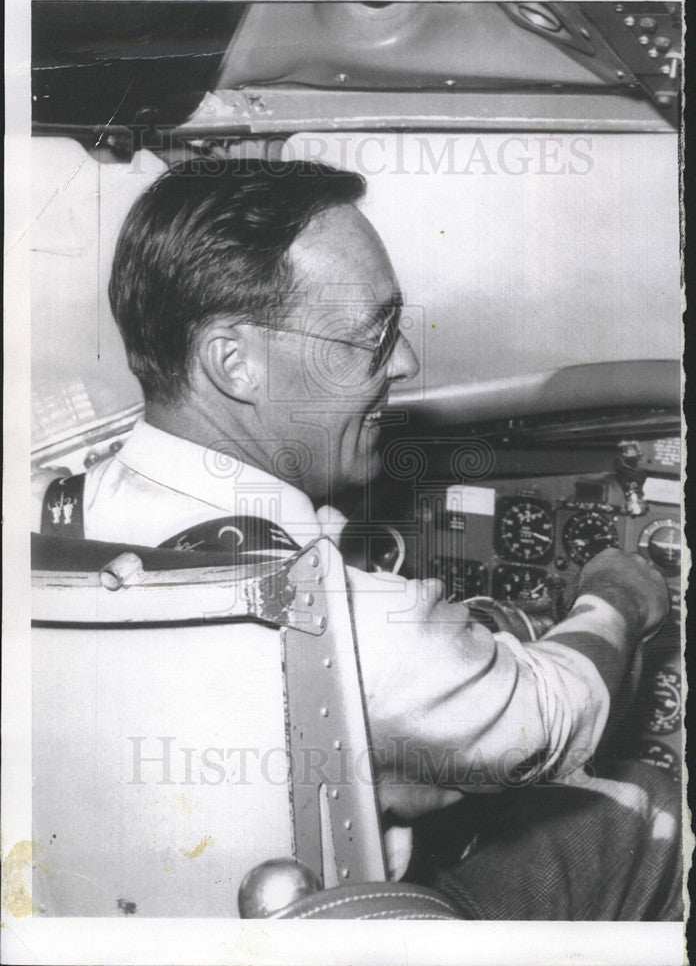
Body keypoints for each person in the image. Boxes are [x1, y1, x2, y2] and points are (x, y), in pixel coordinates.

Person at [33, 160, 681, 919]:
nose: (404, 362)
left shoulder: (50, 519)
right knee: (646, 803)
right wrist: (617, 599)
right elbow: (551, 718)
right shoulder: (335, 617)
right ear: (233, 362)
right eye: (372, 335)